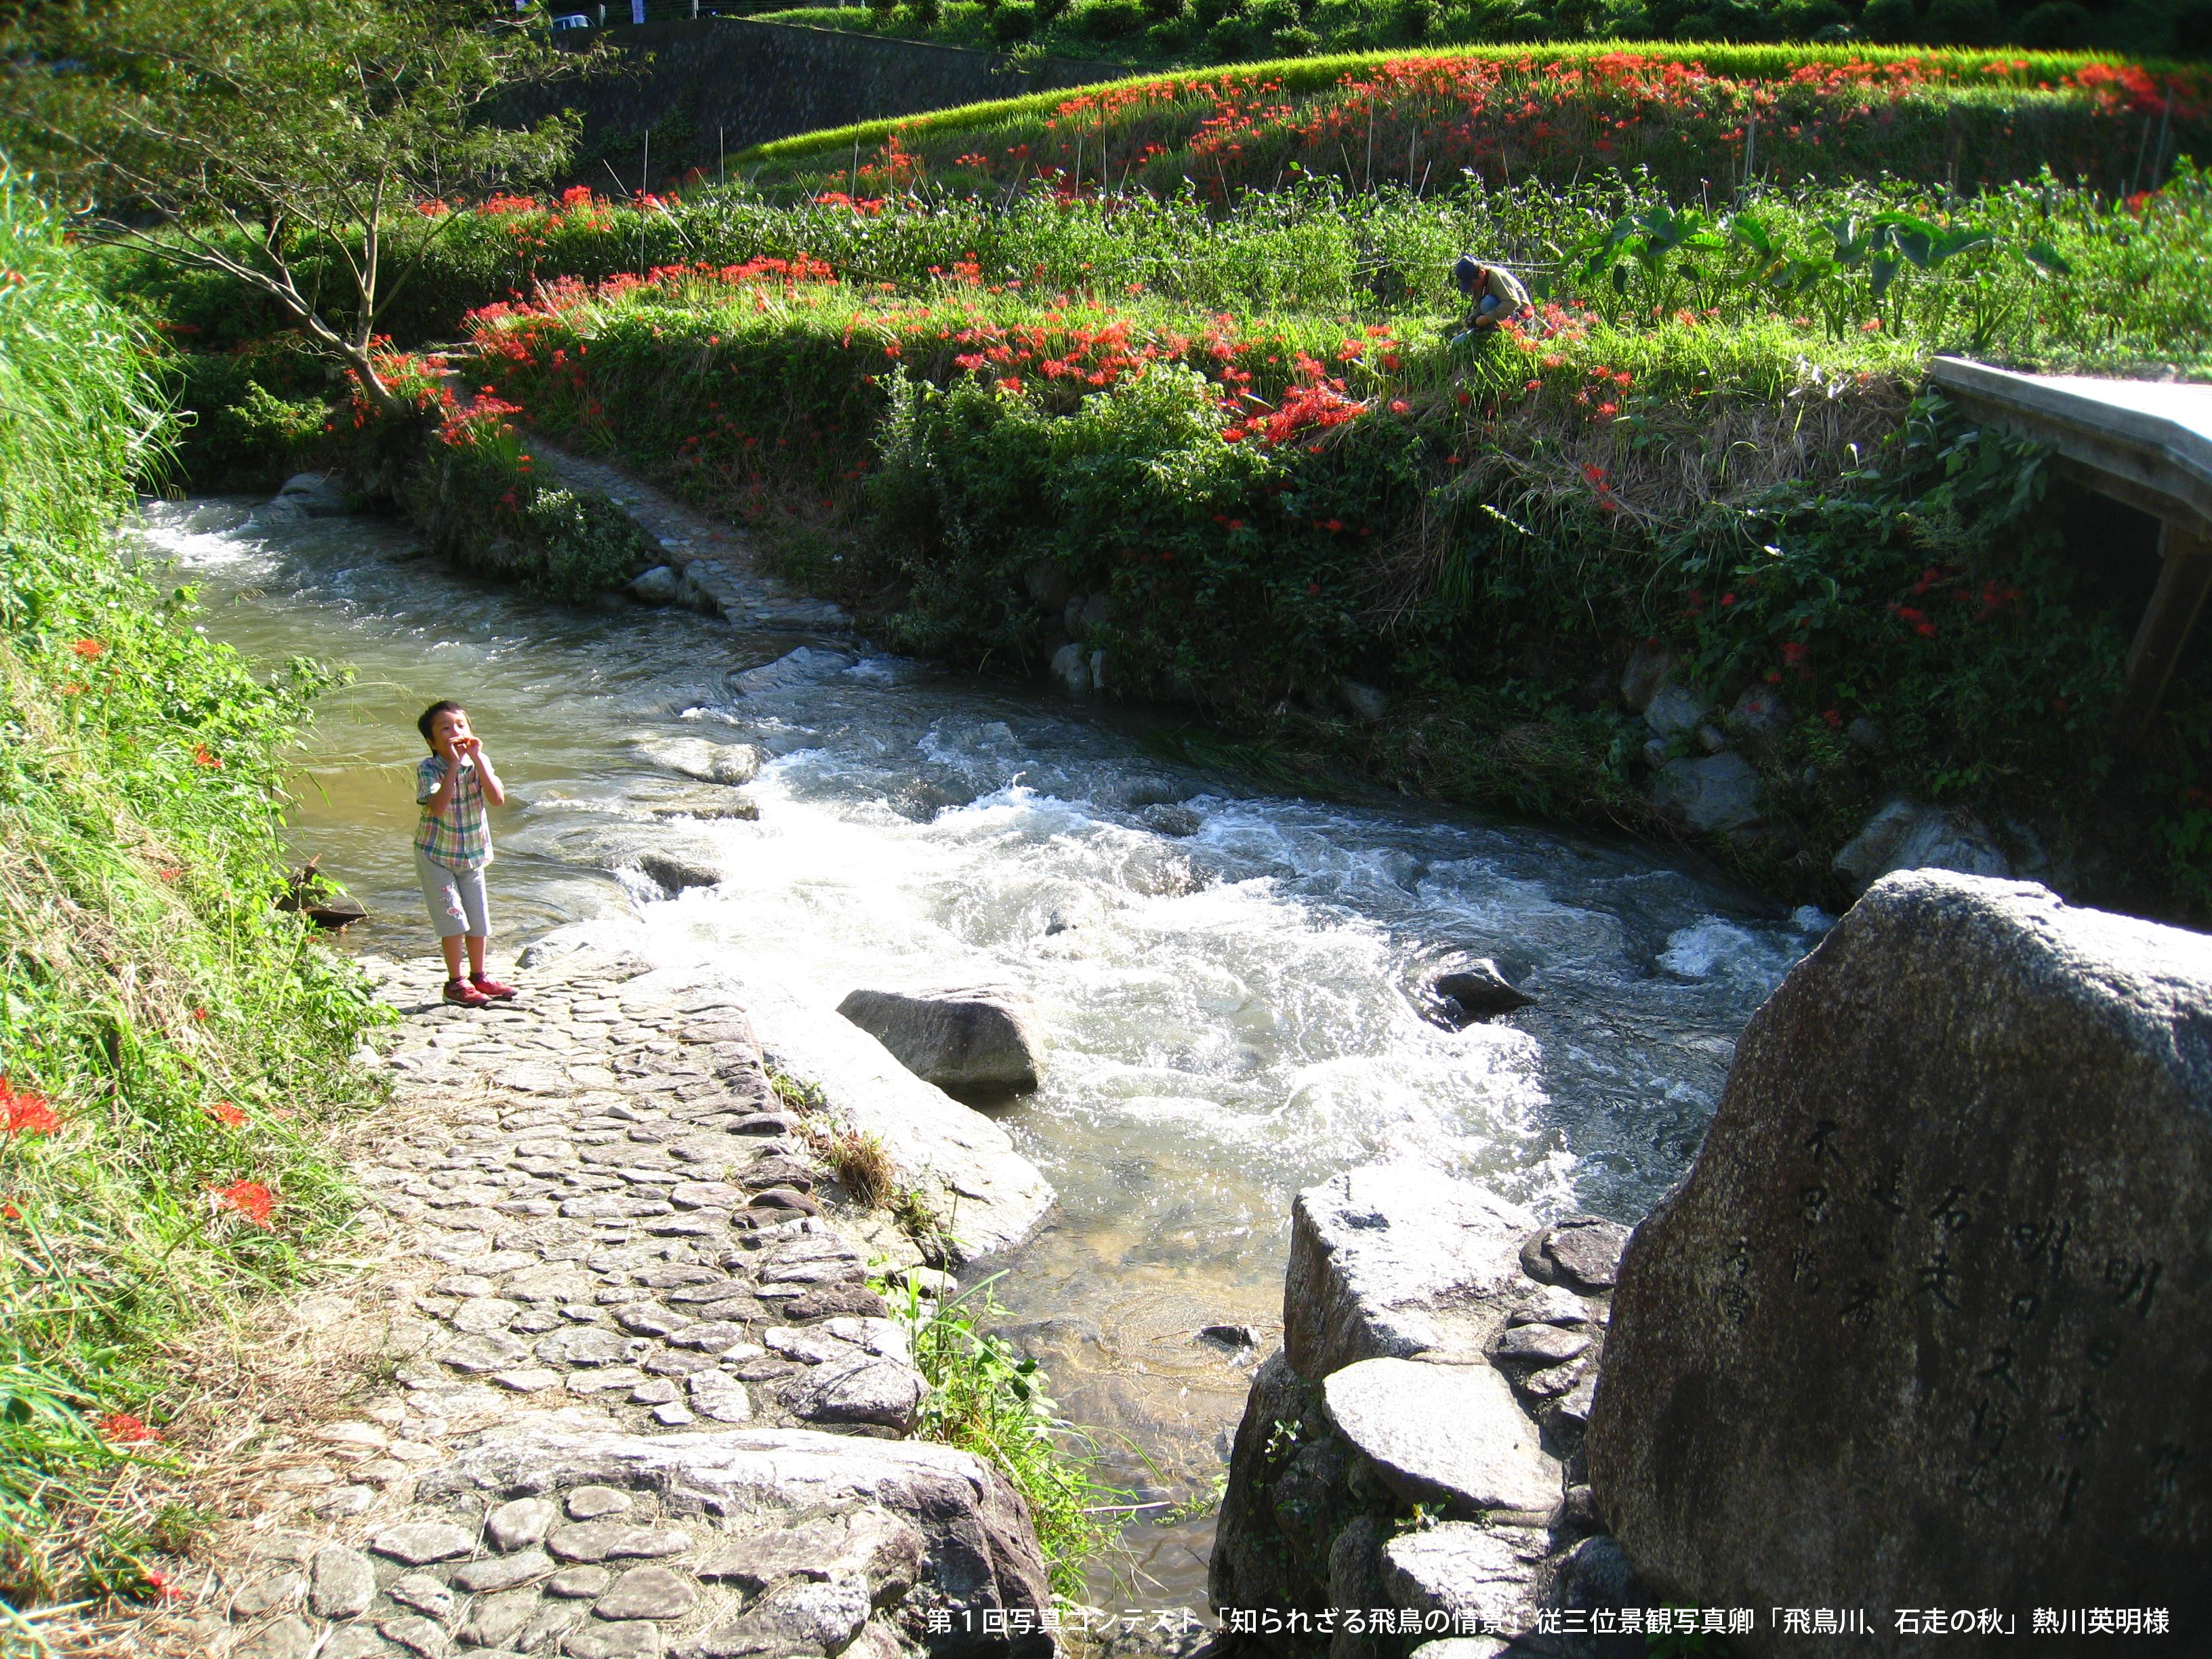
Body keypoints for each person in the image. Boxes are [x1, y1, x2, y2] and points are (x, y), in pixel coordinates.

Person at [414, 700, 515, 1007]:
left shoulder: (479, 762)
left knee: (478, 918)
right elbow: (439, 806)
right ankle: (455, 983)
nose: (454, 732)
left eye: (460, 725)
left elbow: (497, 799)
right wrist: (455, 765)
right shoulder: (429, 768)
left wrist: (477, 760)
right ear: (432, 742)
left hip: (472, 853)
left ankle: (479, 976)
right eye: (445, 728)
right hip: (436, 854)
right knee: (453, 918)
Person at [1452, 255, 1532, 343]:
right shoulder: (1478, 283)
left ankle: (1497, 336)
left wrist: (1487, 318)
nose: (1472, 288)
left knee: (1487, 302)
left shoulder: (1496, 276)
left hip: (1520, 319)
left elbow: (1512, 303)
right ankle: (1488, 334)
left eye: (1473, 284)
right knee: (1455, 342)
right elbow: (1478, 309)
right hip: (1498, 318)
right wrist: (1474, 318)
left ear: (1482, 273)